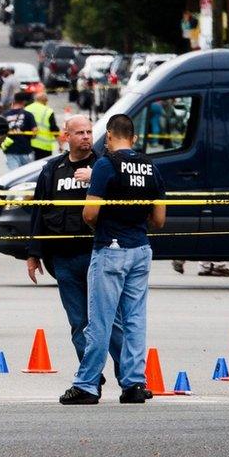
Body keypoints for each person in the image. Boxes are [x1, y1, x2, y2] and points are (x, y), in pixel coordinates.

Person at [60, 113, 166, 405]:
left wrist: (103, 227)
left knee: (100, 321)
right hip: (140, 249)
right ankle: (134, 384)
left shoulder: (106, 165)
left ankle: (87, 385)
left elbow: (90, 213)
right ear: (133, 138)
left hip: (110, 249)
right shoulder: (150, 166)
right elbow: (159, 219)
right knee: (134, 320)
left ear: (108, 137)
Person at [27, 115, 130, 393]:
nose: (86, 137)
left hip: (98, 255)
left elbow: (123, 206)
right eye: (80, 132)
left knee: (111, 321)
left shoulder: (106, 166)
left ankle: (129, 378)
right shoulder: (52, 169)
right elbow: (39, 211)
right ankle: (91, 376)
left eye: (89, 132)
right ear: (67, 136)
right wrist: (33, 254)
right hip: (62, 259)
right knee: (78, 323)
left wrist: (95, 179)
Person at [0, 93, 36, 170]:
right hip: (25, 149)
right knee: (26, 176)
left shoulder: (4, 115)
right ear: (24, 102)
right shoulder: (28, 115)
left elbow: (1, 133)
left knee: (14, 176)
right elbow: (34, 132)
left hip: (10, 149)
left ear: (14, 101)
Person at [25, 91, 59, 161]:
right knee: (43, 168)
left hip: (28, 144)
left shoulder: (27, 108)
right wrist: (60, 144)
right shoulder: (48, 111)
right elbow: (54, 129)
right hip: (44, 146)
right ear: (46, 101)